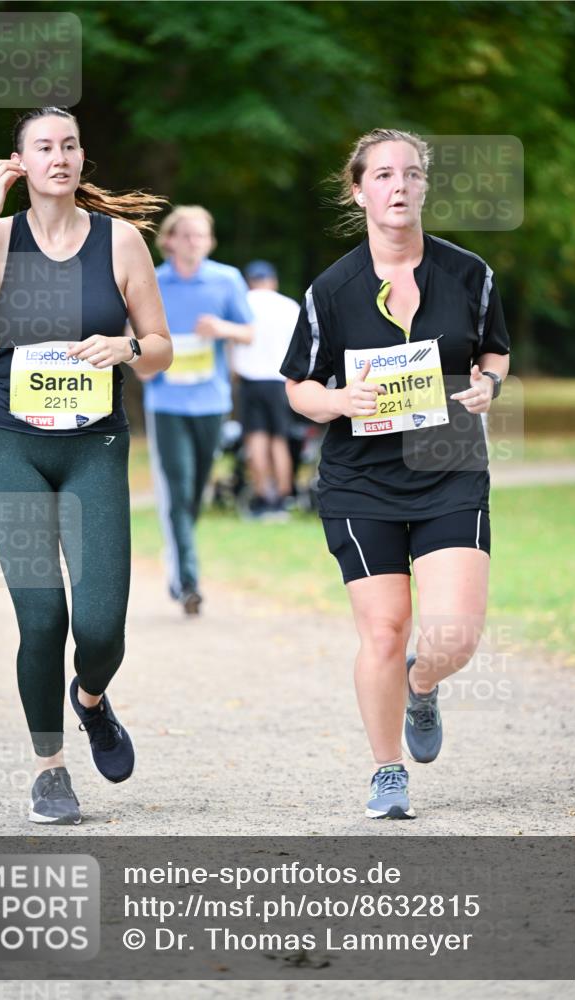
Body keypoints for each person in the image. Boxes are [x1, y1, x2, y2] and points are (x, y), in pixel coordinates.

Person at [0, 107, 172, 824]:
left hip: (95, 446)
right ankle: (50, 770)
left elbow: (160, 345)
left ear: (80, 157)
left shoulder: (118, 241)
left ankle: (90, 698)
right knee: (41, 620)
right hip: (14, 446)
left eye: (69, 145)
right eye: (44, 147)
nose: (59, 156)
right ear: (21, 162)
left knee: (100, 629)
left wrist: (127, 349)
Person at [281, 129, 510, 820]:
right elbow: (297, 385)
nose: (399, 186)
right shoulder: (332, 288)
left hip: (448, 467)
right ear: (359, 190)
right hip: (361, 480)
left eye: (410, 174)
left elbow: (493, 352)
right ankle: (387, 772)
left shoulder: (469, 273)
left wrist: (487, 389)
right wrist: (338, 401)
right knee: (382, 628)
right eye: (383, 175)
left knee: (451, 637)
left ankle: (421, 684)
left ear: (423, 186)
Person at [141, 206, 253, 615]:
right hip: (165, 401)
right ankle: (188, 580)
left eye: (202, 235)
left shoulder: (226, 280)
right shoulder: (152, 280)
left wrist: (222, 330)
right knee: (178, 486)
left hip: (211, 401)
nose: (194, 242)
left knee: (195, 492)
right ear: (168, 240)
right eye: (186, 235)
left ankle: (177, 558)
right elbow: (129, 332)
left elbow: (249, 331)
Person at [233, 260, 299, 519]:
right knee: (279, 440)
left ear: (250, 281)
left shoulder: (243, 303)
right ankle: (282, 499)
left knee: (256, 440)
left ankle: (262, 497)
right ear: (273, 280)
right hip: (279, 380)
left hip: (250, 380)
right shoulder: (288, 306)